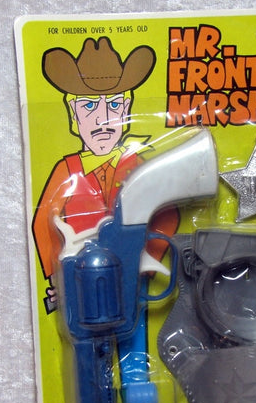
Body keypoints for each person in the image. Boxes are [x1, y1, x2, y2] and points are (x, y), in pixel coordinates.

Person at [33, 36, 178, 311]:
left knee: (135, 327)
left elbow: (169, 214)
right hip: (84, 279)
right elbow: (43, 223)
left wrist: (146, 262)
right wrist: (57, 277)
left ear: (126, 108)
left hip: (126, 280)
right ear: (73, 115)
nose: (103, 119)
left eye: (113, 105)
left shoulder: (139, 166)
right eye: (88, 106)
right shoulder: (68, 170)